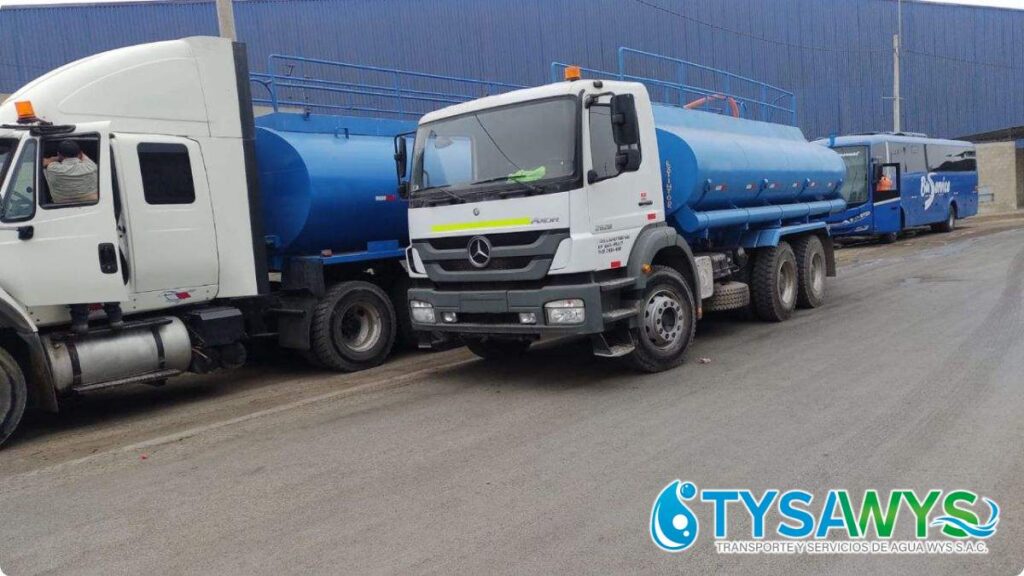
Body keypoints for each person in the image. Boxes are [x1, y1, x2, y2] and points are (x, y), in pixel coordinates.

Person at [42, 139, 98, 204]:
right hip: (92, 205)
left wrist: (58, 157)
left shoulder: (53, 168)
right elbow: (83, 156)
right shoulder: (91, 166)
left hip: (60, 207)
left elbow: (43, 162)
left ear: (59, 154)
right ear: (79, 154)